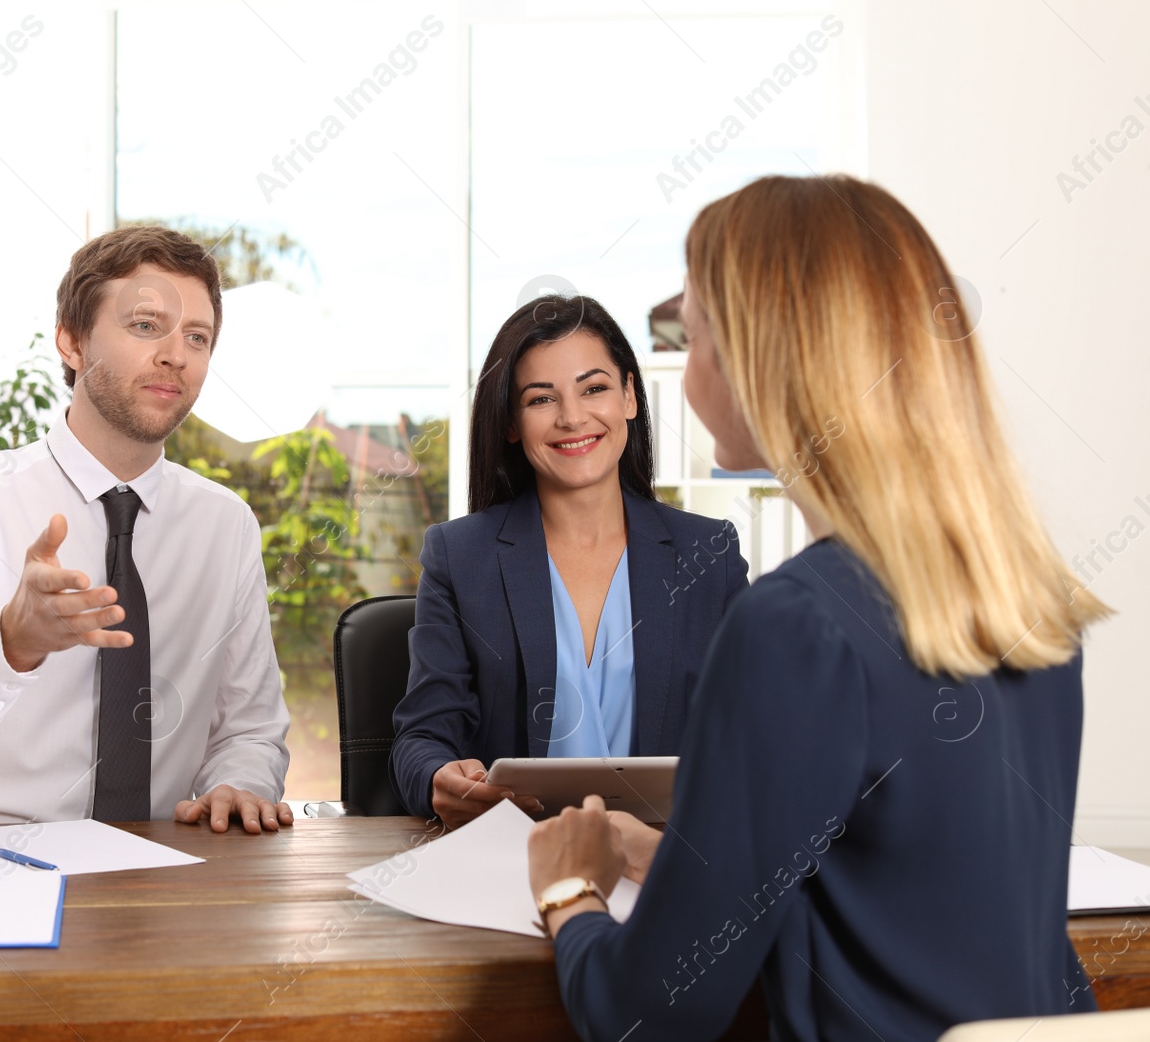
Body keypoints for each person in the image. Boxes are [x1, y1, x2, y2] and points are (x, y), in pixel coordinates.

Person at [526, 175, 1111, 1041]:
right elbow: (915, 908)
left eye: (694, 337)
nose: (687, 374)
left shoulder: (794, 628)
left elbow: (648, 1017)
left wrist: (568, 890)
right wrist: (693, 871)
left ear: (763, 355)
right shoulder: (1026, 604)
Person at [0, 224, 292, 834]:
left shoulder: (225, 524)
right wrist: (10, 645)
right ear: (71, 343)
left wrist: (239, 783)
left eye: (197, 337)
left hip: (157, 868)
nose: (176, 355)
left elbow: (250, 728)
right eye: (146, 325)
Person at [390, 294, 749, 828]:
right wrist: (438, 775)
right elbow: (421, 738)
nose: (572, 417)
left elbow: (753, 736)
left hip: (668, 864)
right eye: (540, 400)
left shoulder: (709, 555)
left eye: (595, 388)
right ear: (511, 422)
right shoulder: (459, 557)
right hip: (513, 860)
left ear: (629, 395)